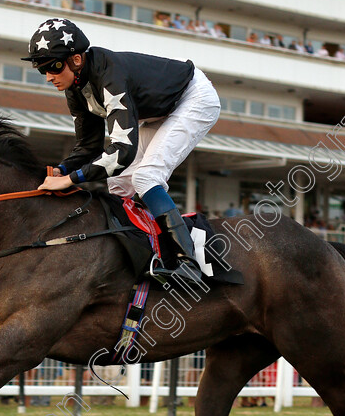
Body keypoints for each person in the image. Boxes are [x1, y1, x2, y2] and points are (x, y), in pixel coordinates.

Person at [22, 18, 218, 282]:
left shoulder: (109, 75)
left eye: (53, 67)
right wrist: (62, 169)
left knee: (146, 177)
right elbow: (88, 146)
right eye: (41, 70)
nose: (48, 77)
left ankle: (187, 262)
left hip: (193, 98)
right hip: (157, 110)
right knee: (119, 185)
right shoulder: (76, 88)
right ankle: (145, 253)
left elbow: (123, 151)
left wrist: (71, 179)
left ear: (76, 59)